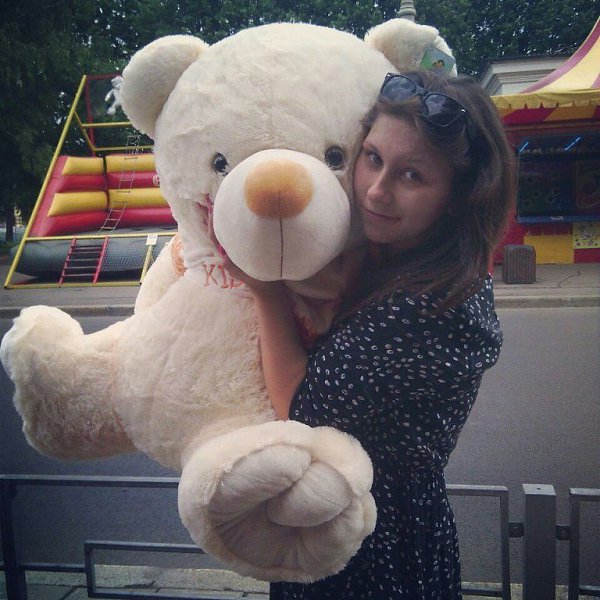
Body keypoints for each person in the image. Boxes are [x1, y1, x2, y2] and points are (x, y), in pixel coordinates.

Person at [214, 69, 516, 599]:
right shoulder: (400, 259)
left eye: (412, 176)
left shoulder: (426, 305)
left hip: (375, 544)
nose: (377, 190)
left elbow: (301, 409)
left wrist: (265, 290)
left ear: (458, 196)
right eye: (372, 157)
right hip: (344, 517)